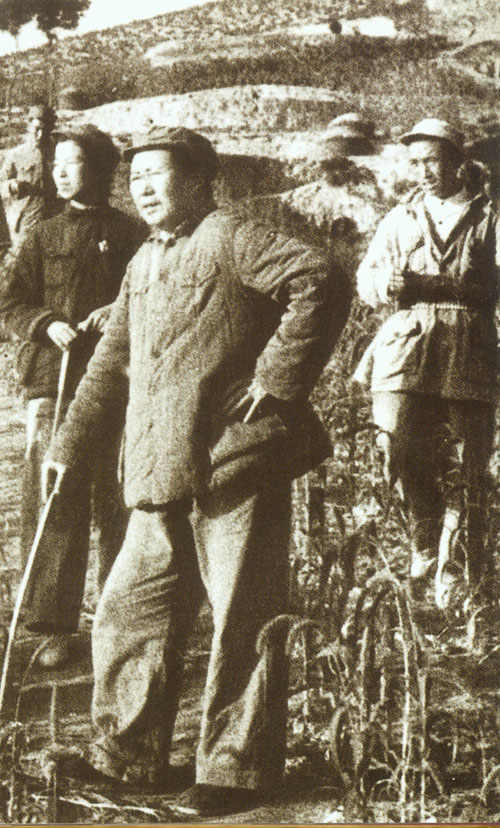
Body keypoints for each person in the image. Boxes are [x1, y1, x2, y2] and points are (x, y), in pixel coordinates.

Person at [42, 125, 351, 816]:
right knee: (127, 612)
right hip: (159, 467)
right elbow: (111, 363)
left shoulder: (233, 235)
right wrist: (67, 445)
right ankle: (128, 758)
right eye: (136, 178)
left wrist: (278, 376)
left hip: (234, 461)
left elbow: (321, 278)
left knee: (244, 618)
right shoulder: (144, 260)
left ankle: (236, 771)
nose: (145, 188)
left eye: (160, 174)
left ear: (201, 180)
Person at [0, 124, 141, 668]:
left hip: (118, 381)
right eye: (55, 162)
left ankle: (117, 616)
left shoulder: (132, 233)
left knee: (117, 493)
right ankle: (52, 625)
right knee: (55, 492)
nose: (58, 172)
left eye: (72, 161)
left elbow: (147, 294)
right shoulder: (41, 236)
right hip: (52, 381)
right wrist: (45, 323)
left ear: (100, 168)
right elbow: (10, 303)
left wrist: (115, 312)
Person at [354, 118, 500, 609]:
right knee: (394, 442)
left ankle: (455, 575)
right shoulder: (401, 217)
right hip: (407, 342)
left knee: (465, 462)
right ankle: (424, 540)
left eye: (431, 161)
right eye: (414, 163)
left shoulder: (488, 217)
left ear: (458, 163)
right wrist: (385, 285)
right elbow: (367, 275)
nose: (422, 172)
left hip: (469, 344)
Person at [0, 104, 58, 256]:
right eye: (36, 129)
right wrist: (11, 186)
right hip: (26, 220)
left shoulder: (59, 151)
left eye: (45, 131)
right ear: (28, 126)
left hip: (55, 217)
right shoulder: (16, 154)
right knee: (24, 258)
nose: (40, 135)